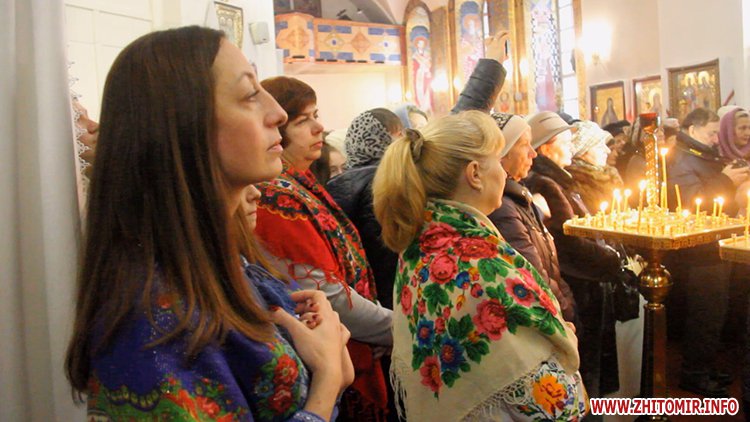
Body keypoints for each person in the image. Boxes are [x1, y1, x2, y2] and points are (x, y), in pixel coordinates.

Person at [64, 26, 353, 421]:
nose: (278, 114)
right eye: (249, 94)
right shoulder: (153, 320)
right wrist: (327, 380)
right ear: (183, 125)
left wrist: (302, 321)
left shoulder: (217, 260)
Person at [373, 110, 586, 421]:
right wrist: (566, 337)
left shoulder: (423, 243)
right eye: (498, 160)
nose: (504, 172)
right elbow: (553, 402)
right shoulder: (480, 264)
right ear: (474, 173)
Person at [256, 76, 392, 421]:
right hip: (335, 355)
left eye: (316, 115)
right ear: (275, 128)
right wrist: (395, 329)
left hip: (354, 342)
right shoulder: (276, 195)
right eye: (303, 121)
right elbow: (326, 293)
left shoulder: (301, 186)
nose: (319, 128)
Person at [524, 112, 625, 404]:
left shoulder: (559, 178)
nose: (572, 147)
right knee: (585, 368)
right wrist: (610, 259)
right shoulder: (547, 184)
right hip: (579, 283)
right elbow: (568, 240)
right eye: (566, 142)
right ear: (546, 147)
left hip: (583, 279)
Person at [666, 107, 750, 397]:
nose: (717, 139)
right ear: (693, 129)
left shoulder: (703, 156)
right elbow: (692, 203)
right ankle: (694, 374)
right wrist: (727, 181)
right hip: (700, 251)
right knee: (705, 315)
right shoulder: (682, 159)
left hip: (716, 245)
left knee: (716, 313)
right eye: (712, 133)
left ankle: (705, 366)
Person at [487, 112, 577, 324]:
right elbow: (534, 274)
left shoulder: (520, 195)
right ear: (503, 154)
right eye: (524, 145)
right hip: (547, 316)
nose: (533, 153)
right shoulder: (503, 207)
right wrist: (567, 313)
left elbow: (550, 266)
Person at [327, 108, 404, 310]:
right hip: (388, 299)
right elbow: (387, 256)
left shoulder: (340, 181)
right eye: (399, 136)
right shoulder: (386, 181)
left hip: (360, 295)